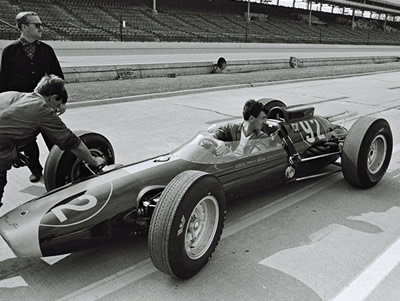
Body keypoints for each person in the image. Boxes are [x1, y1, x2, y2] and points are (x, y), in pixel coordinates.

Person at [0, 74, 106, 208]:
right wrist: (94, 161)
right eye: (56, 109)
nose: (54, 112)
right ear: (53, 97)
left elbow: (6, 125)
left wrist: (11, 152)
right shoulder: (41, 109)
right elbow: (71, 141)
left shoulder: (10, 95)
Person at [0, 11, 64, 183]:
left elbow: (58, 78)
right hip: (21, 108)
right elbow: (4, 82)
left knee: (55, 138)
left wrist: (62, 102)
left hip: (45, 106)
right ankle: (36, 170)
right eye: (37, 25)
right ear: (23, 27)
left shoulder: (47, 50)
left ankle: (61, 166)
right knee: (28, 144)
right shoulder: (9, 51)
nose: (41, 28)